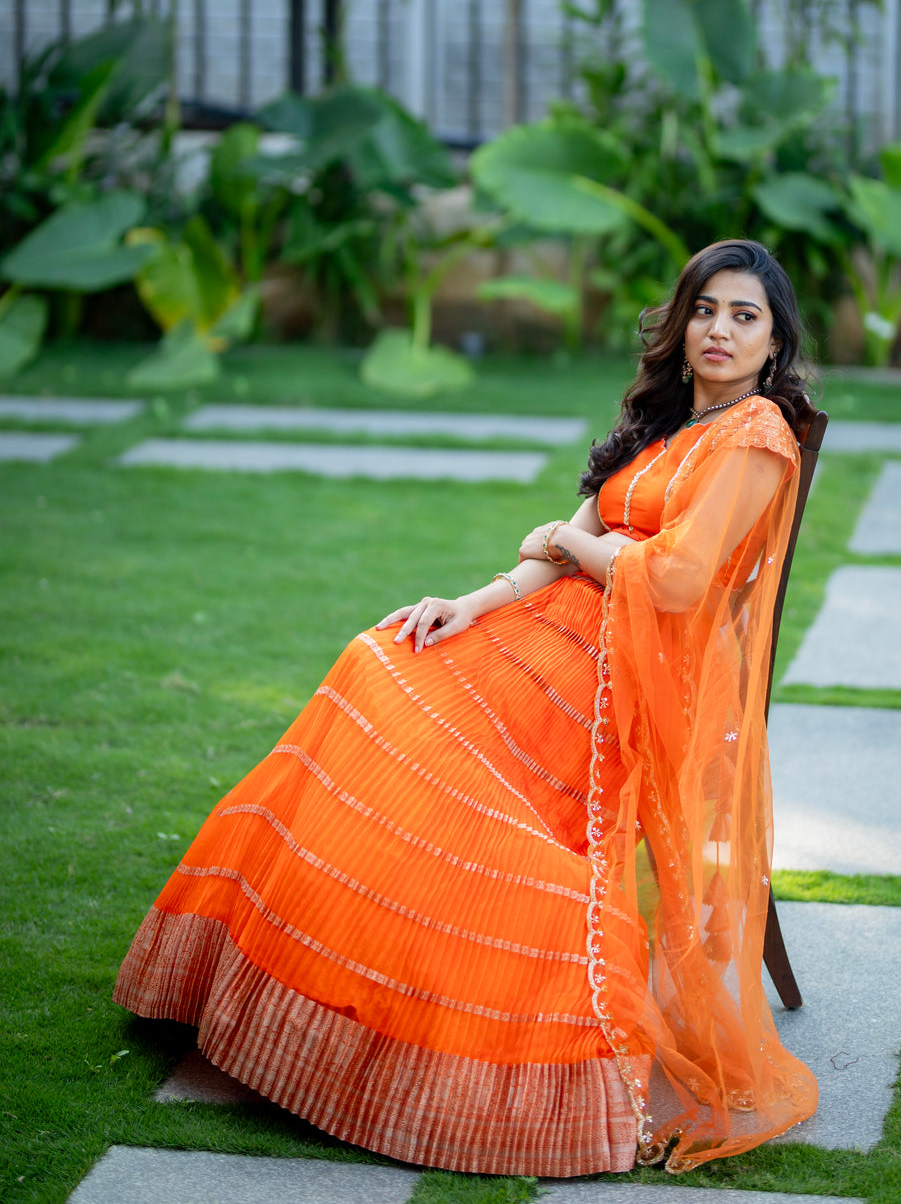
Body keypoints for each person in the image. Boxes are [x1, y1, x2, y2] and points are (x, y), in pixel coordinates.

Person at [114, 238, 818, 1176]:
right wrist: (473, 601)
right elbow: (569, 551)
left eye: (744, 317)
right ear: (680, 322)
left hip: (628, 678)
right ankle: (304, 989)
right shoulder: (667, 420)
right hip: (552, 635)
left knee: (443, 762)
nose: (720, 331)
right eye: (706, 310)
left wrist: (574, 544)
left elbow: (682, 581)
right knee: (379, 661)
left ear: (774, 343)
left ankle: (437, 1028)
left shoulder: (757, 436)